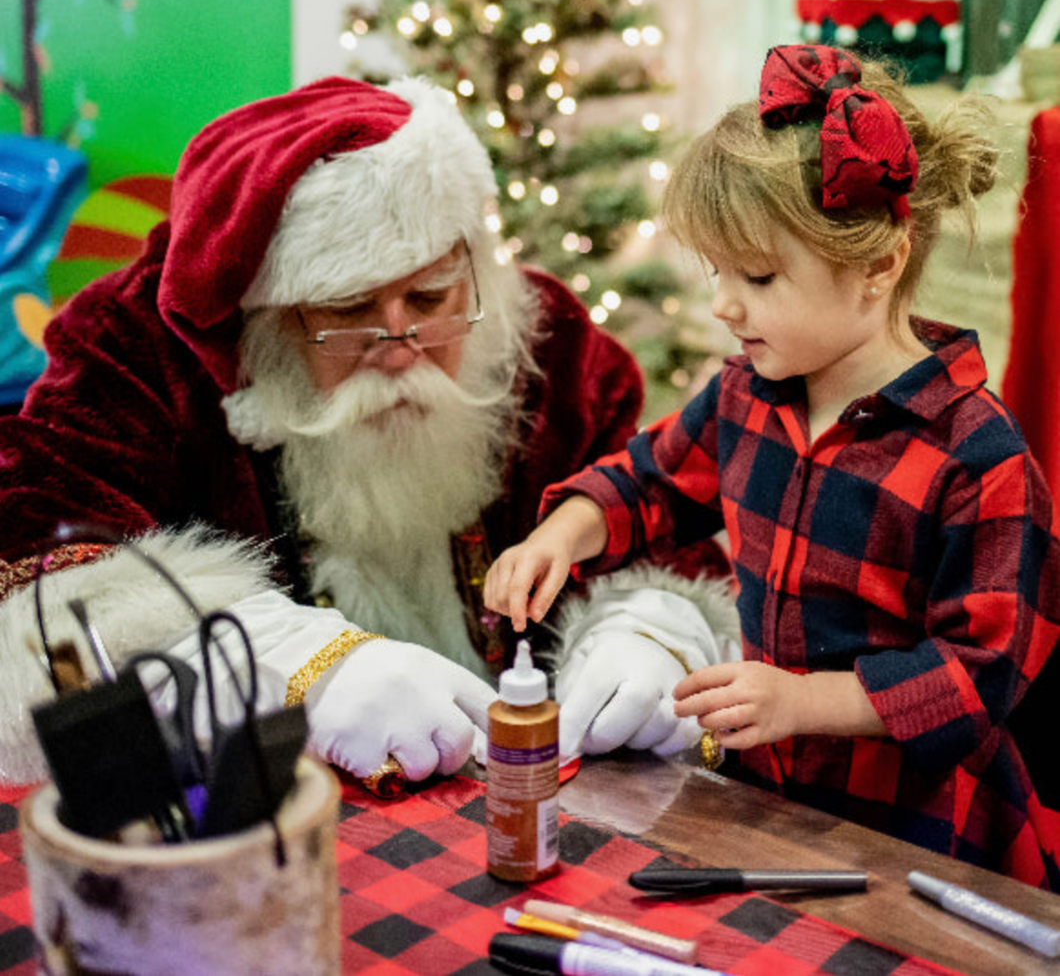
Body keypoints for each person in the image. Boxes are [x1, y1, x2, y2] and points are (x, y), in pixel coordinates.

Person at [0, 75, 737, 790]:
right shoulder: (137, 345)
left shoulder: (544, 343)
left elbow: (660, 527)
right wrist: (285, 668)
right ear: (270, 312)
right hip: (269, 821)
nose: (401, 342)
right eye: (347, 307)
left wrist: (648, 630)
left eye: (430, 294)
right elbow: (39, 595)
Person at [484, 44, 1060, 891]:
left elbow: (979, 681)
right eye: (717, 271)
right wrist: (561, 536)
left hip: (922, 847)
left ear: (879, 264)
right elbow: (649, 480)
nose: (723, 304)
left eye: (756, 275)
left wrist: (800, 702)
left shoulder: (981, 459)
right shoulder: (748, 394)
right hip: (769, 810)